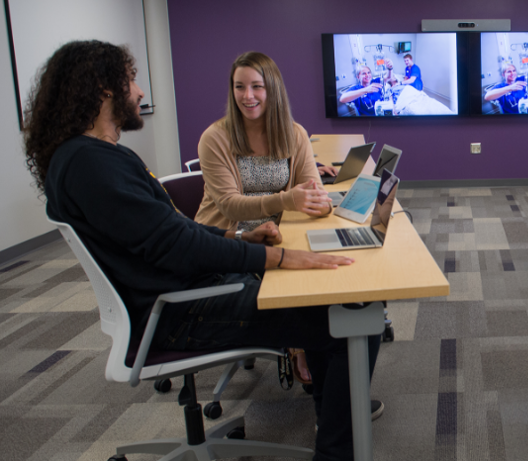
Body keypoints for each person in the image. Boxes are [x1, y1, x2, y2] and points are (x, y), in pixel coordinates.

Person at [24, 40, 373, 461]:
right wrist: (277, 257)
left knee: (327, 298)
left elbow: (174, 234)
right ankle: (336, 449)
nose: (139, 92)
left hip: (183, 292)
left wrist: (239, 240)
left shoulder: (87, 158)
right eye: (131, 81)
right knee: (353, 315)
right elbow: (179, 245)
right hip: (182, 307)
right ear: (104, 90)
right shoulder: (92, 165)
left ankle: (332, 417)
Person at [194, 51, 335, 386]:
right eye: (239, 87)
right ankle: (300, 351)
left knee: (331, 285)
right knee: (308, 304)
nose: (248, 96)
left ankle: (317, 374)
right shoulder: (216, 138)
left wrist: (322, 204)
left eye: (256, 86)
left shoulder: (294, 133)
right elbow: (229, 206)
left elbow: (310, 186)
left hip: (276, 235)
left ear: (272, 90)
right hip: (228, 241)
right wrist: (289, 199)